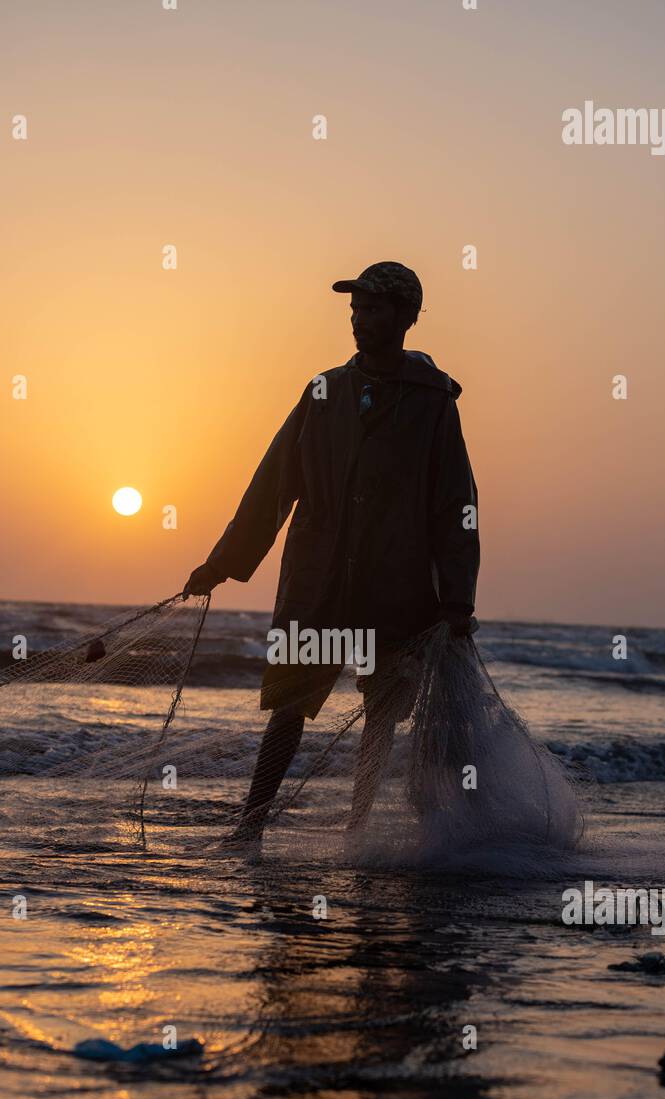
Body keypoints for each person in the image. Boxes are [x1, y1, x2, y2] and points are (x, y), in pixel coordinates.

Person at [184, 261, 479, 844]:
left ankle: (358, 832)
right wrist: (223, 562)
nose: (359, 320)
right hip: (315, 584)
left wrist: (457, 599)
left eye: (372, 309)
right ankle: (250, 826)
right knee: (288, 708)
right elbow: (275, 483)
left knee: (380, 717)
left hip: (396, 590)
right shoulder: (324, 391)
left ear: (406, 317)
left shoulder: (434, 404)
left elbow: (456, 507)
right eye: (354, 309)